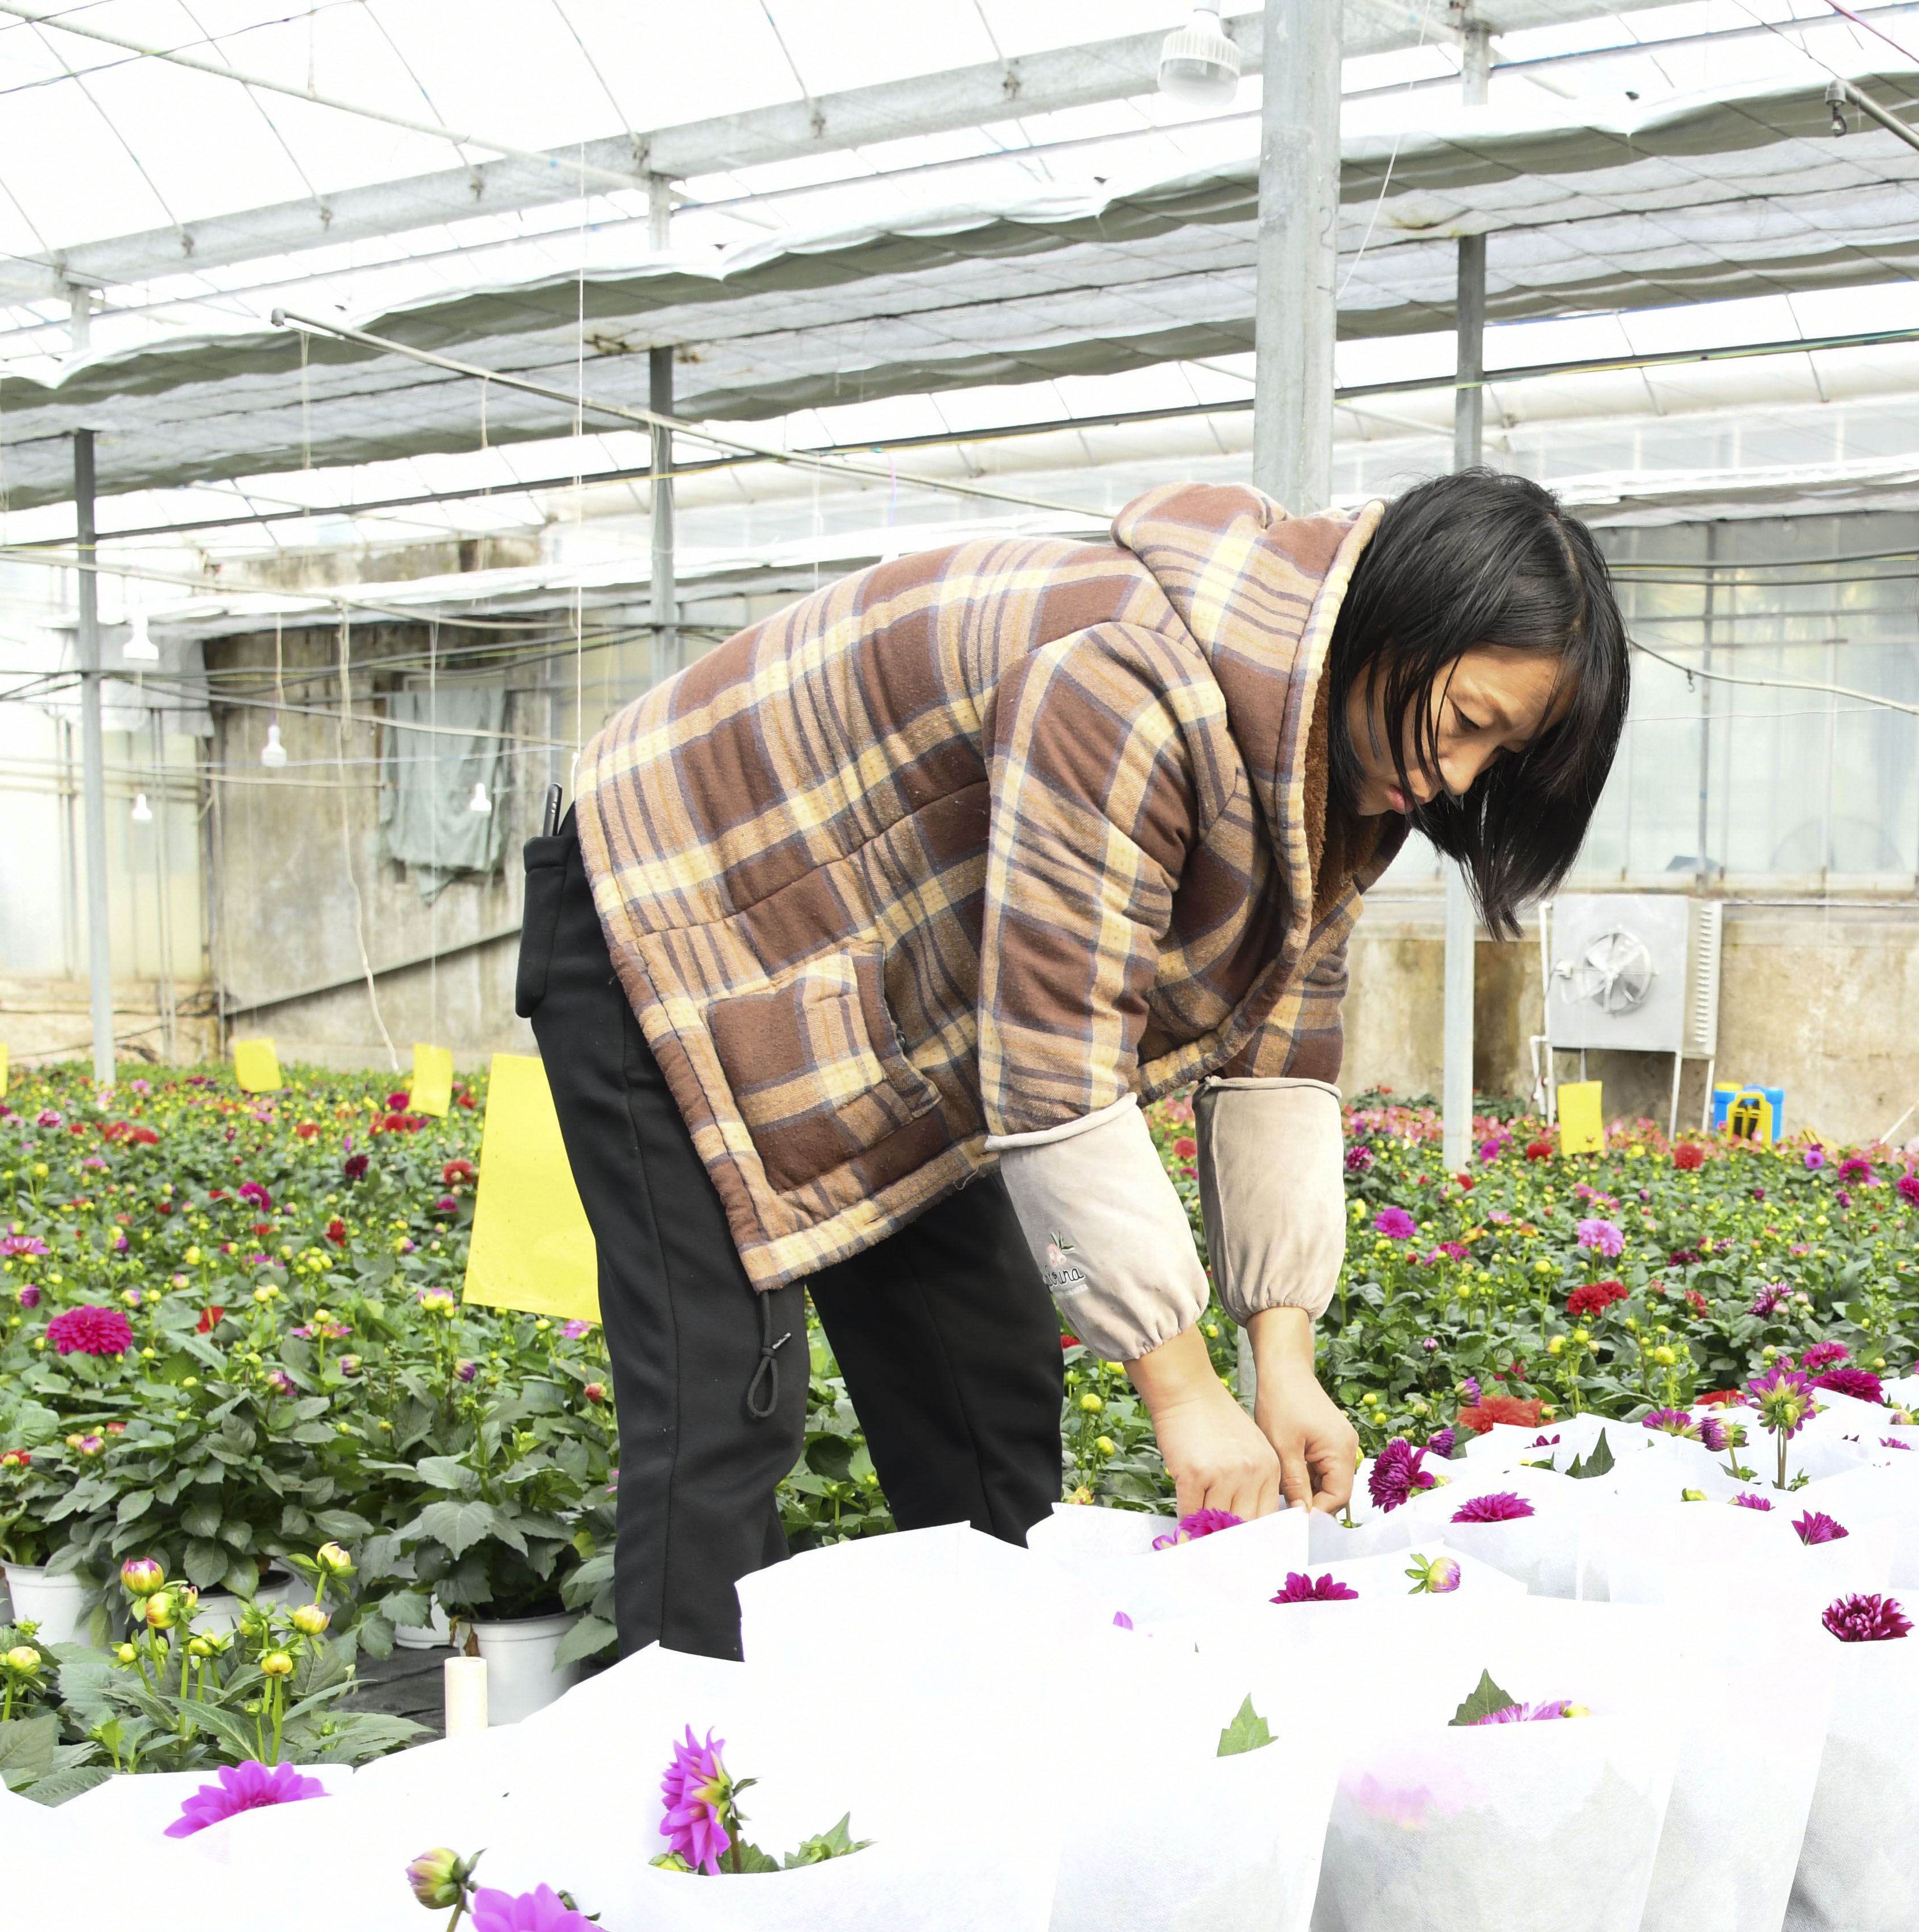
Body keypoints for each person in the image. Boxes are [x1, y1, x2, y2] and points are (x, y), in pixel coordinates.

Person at [522, 474, 1628, 1659]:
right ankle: (681, 1758)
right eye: (1464, 720)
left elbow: (1279, 1059)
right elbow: (1058, 1057)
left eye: (1498, 752)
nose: (1457, 776)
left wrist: (1283, 1361)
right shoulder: (1131, 681)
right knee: (722, 1404)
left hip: (877, 1005)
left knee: (984, 1389)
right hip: (665, 918)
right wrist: (1183, 1393)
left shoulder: (1338, 770)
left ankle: (1009, 1714)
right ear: (1396, 621)